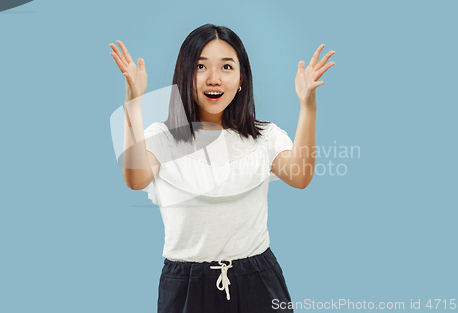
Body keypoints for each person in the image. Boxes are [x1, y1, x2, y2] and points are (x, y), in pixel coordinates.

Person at [109, 24, 335, 313]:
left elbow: (300, 177)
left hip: (258, 279)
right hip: (186, 284)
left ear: (242, 77)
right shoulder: (162, 138)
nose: (213, 78)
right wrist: (133, 102)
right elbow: (135, 179)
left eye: (226, 67)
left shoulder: (264, 137)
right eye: (200, 66)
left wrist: (308, 107)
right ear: (185, 76)